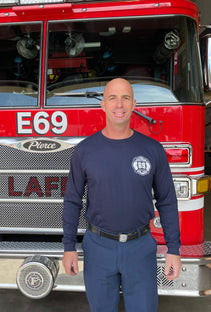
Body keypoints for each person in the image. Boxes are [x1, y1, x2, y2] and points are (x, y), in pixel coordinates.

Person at [62, 78, 181, 312]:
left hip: (140, 248)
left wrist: (174, 249)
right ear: (103, 105)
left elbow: (167, 200)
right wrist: (68, 247)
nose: (119, 104)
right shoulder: (85, 150)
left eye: (125, 98)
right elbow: (72, 200)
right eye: (112, 98)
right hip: (98, 247)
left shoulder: (152, 149)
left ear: (134, 104)